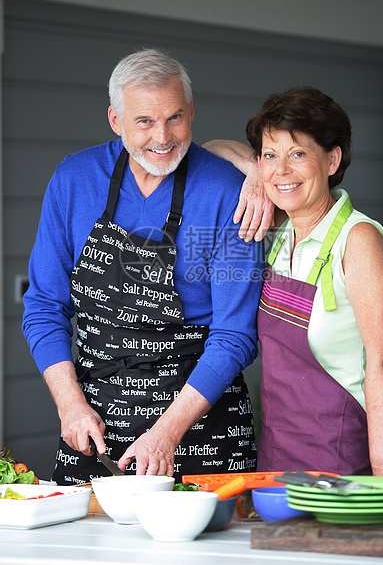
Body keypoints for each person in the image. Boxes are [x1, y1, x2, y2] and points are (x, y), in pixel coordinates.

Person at [22, 48, 264, 484]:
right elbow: (43, 306)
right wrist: (69, 405)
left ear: (191, 111)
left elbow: (236, 335)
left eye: (175, 117)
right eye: (144, 122)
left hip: (202, 434)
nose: (163, 136)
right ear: (115, 121)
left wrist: (166, 434)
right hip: (94, 430)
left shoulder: (229, 192)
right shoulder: (74, 180)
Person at [206, 86, 383, 477]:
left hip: (340, 457)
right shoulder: (276, 229)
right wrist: (257, 174)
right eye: (270, 155)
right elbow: (211, 147)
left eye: (298, 154)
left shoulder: (357, 239)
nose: (283, 169)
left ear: (332, 159)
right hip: (276, 455)